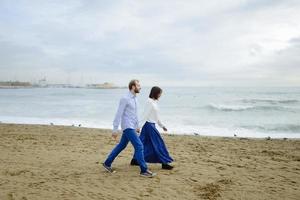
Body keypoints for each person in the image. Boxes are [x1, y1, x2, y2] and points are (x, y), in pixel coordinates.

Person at [102, 80, 156, 178]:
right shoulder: (125, 98)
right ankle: (144, 170)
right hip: (127, 126)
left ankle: (107, 163)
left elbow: (134, 115)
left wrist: (137, 126)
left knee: (121, 145)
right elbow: (118, 114)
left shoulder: (135, 99)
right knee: (139, 146)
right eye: (138, 85)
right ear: (132, 87)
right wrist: (115, 129)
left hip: (132, 126)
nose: (140, 87)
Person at [130, 86, 174, 170]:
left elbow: (156, 117)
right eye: (160, 93)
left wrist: (162, 126)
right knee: (159, 143)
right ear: (155, 93)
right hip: (148, 126)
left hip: (151, 125)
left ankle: (135, 160)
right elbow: (145, 115)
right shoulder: (149, 102)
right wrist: (139, 126)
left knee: (142, 144)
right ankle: (164, 163)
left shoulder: (154, 102)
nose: (160, 95)